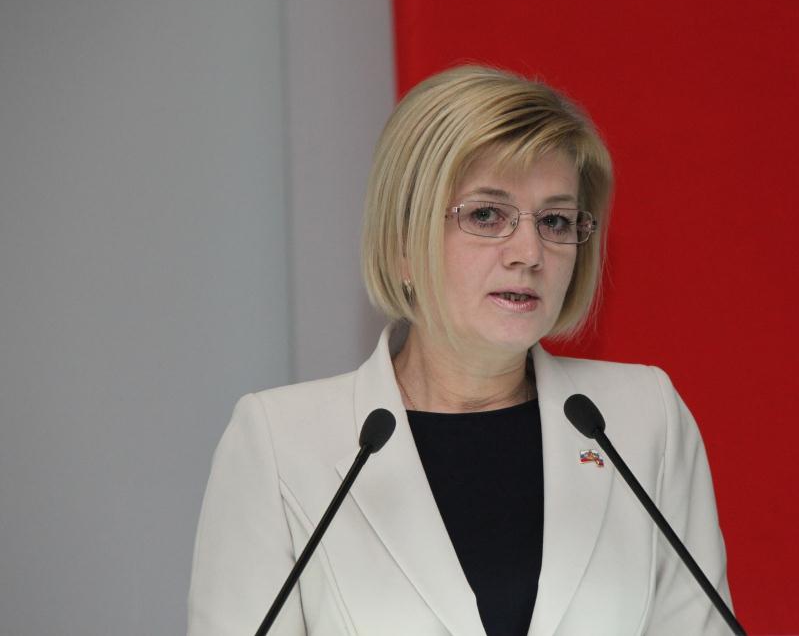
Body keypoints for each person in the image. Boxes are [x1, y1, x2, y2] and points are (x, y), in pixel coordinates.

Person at [187, 65, 735, 635]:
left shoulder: (642, 420)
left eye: (554, 220)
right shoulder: (280, 444)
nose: (529, 252)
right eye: (486, 215)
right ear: (403, 243)